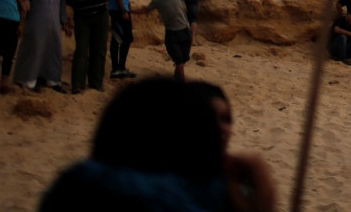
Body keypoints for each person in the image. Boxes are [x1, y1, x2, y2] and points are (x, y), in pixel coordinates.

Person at [39, 78, 231, 212]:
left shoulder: (76, 188)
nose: (223, 130)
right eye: (214, 121)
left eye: (226, 119)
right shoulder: (207, 194)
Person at [185, 83, 279, 212]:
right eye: (210, 120)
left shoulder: (235, 179)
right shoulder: (166, 183)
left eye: (225, 119)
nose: (222, 128)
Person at [14, 0, 70, 92]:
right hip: (35, 25)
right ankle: (28, 81)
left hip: (53, 27)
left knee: (53, 53)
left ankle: (53, 81)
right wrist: (26, 2)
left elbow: (62, 7)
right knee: (34, 51)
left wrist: (65, 24)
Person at [63, 0, 111, 94]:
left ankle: (96, 83)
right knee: (81, 50)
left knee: (99, 50)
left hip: (100, 16)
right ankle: (77, 84)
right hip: (81, 18)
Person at [143, 0, 193, 82]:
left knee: (183, 59)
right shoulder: (156, 1)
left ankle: (176, 78)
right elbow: (146, 10)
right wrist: (129, 10)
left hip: (184, 30)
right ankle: (182, 84)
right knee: (178, 61)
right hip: (172, 34)